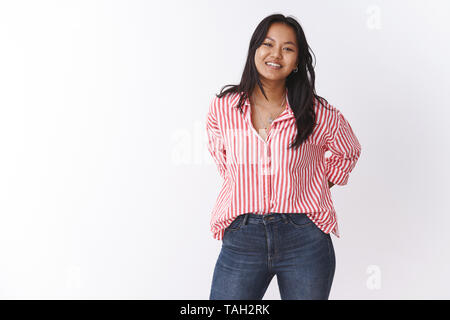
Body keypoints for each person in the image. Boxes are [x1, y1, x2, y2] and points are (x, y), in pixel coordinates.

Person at [205, 13, 362, 300]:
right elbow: (224, 160)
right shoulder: (224, 108)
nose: (276, 54)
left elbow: (348, 150)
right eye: (267, 44)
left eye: (288, 48)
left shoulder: (317, 113)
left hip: (304, 237)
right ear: (255, 49)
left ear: (298, 60)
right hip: (243, 235)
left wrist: (315, 185)